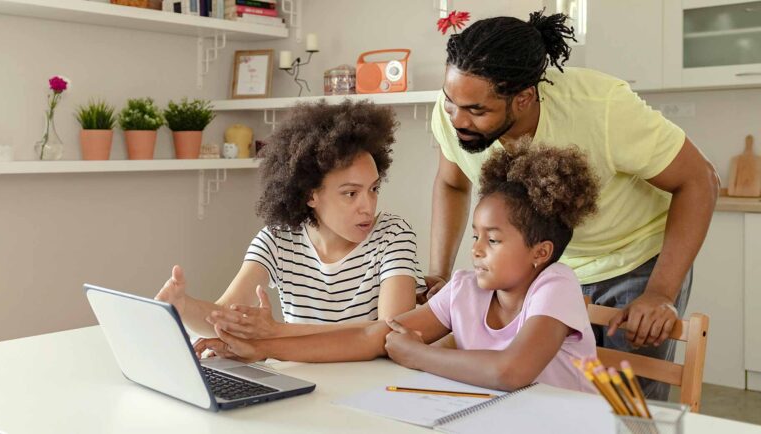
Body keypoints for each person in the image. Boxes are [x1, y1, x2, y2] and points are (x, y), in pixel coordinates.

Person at [423, 11, 719, 399]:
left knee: (629, 406)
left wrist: (660, 293)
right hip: (546, 267)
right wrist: (439, 272)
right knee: (548, 393)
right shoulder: (457, 109)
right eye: (450, 102)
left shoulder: (601, 108)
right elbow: (451, 183)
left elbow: (699, 181)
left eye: (477, 111)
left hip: (633, 260)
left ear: (525, 98)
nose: (457, 120)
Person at [195, 143, 600, 394]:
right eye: (475, 235)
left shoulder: (556, 285)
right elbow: (377, 334)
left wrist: (417, 355)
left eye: (492, 240)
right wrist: (265, 347)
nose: (475, 250)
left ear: (540, 252)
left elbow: (512, 371)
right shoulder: (466, 289)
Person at [156, 100, 425, 339]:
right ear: (310, 195)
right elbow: (226, 315)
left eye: (373, 189)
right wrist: (182, 306)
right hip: (302, 378)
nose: (367, 206)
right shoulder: (278, 239)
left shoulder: (392, 235)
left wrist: (277, 334)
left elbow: (389, 332)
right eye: (351, 193)